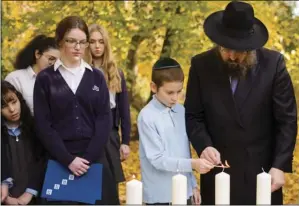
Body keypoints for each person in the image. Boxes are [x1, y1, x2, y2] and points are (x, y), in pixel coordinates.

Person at [184, 1, 297, 204]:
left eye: (240, 50)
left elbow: (286, 121)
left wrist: (279, 165)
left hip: (261, 172)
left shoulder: (274, 64)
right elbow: (193, 115)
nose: (233, 56)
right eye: (227, 49)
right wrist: (204, 146)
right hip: (217, 171)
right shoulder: (201, 65)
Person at [33, 16, 119, 204]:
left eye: (82, 42)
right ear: (60, 41)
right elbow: (42, 124)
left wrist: (87, 159)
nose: (77, 47)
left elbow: (104, 119)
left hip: (94, 159)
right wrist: (68, 160)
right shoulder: (45, 79)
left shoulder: (96, 77)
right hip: (59, 160)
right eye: (71, 41)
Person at [138, 57, 213, 205]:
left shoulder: (181, 111)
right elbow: (157, 159)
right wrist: (193, 164)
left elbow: (185, 151)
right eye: (170, 92)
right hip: (160, 195)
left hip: (184, 192)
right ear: (154, 87)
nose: (175, 98)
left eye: (179, 92)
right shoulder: (146, 116)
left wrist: (193, 185)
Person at [84, 24, 131, 190]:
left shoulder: (116, 73)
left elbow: (124, 110)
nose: (97, 46)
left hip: (110, 132)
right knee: (89, 184)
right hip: (87, 131)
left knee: (110, 184)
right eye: (93, 41)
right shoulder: (81, 71)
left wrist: (125, 141)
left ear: (106, 44)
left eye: (101, 42)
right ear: (87, 44)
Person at [1, 80, 47, 205]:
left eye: (14, 102)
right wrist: (6, 197)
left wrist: (29, 193)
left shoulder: (36, 128)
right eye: (3, 106)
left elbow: (42, 162)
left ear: (19, 98)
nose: (12, 109)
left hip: (36, 197)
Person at [5, 35, 59, 115]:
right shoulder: (15, 79)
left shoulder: (59, 81)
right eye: (51, 59)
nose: (54, 64)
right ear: (37, 54)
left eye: (58, 61)